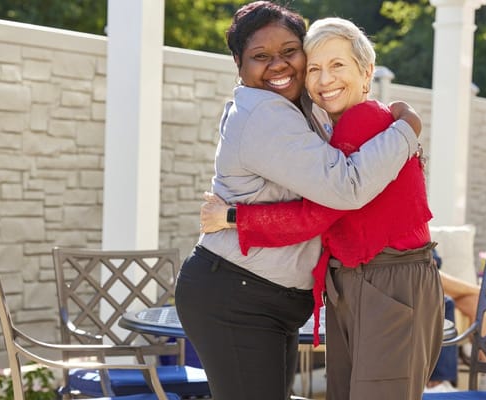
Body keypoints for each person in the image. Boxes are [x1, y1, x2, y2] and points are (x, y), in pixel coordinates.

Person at [174, 2, 422, 400]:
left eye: (290, 51)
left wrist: (238, 216)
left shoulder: (301, 109)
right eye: (260, 56)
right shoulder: (265, 116)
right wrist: (408, 128)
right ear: (239, 63)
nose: (279, 65)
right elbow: (345, 188)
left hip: (260, 297)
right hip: (238, 298)